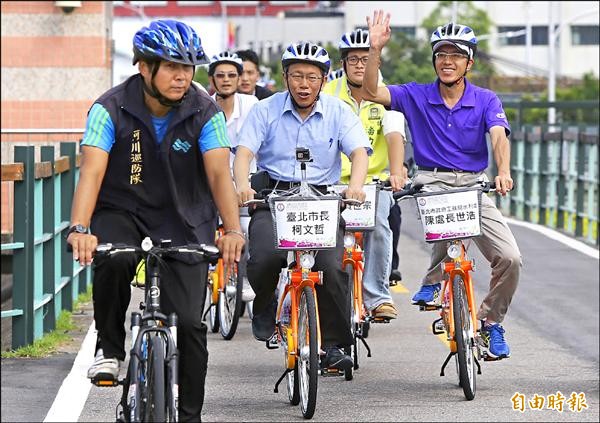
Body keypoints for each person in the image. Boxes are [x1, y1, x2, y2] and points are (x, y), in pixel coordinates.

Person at [66, 20, 245, 421]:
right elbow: (91, 171)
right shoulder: (108, 108)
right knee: (113, 258)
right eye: (171, 67)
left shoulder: (205, 111)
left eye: (189, 68)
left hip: (186, 217)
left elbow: (219, 174)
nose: (183, 77)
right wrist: (80, 227)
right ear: (144, 68)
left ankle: (189, 415)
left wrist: (232, 229)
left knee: (192, 324)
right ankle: (109, 349)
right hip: (122, 211)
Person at [363, 12, 522, 360]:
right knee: (448, 225)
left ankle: (491, 322)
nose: (447, 62)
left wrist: (504, 171)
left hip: (473, 185)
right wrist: (375, 49)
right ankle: (434, 280)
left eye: (456, 55)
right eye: (441, 55)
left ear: (469, 61)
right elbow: (371, 91)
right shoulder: (415, 95)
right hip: (431, 180)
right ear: (434, 60)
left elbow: (498, 136)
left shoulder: (486, 99)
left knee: (510, 258)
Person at [233, 42, 371, 370]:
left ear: (324, 80)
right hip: (275, 198)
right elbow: (244, 153)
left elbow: (359, 152)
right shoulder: (264, 110)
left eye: (312, 77)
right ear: (285, 77)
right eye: (296, 76)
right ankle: (265, 305)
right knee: (264, 257)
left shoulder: (339, 110)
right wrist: (242, 185)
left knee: (334, 269)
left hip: (322, 201)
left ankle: (335, 344)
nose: (304, 84)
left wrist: (355, 185)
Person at [323, 28, 407, 320]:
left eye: (366, 58)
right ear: (343, 63)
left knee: (381, 225)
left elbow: (395, 133)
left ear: (377, 62)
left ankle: (377, 296)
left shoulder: (386, 95)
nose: (360, 64)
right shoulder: (327, 94)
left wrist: (396, 172)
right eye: (353, 59)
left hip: (373, 183)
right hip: (330, 182)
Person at [208, 50, 259, 302]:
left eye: (231, 75)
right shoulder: (203, 107)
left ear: (240, 80)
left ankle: (247, 277)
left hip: (244, 186)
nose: (226, 80)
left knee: (249, 229)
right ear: (211, 80)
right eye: (220, 75)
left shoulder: (253, 106)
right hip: (210, 184)